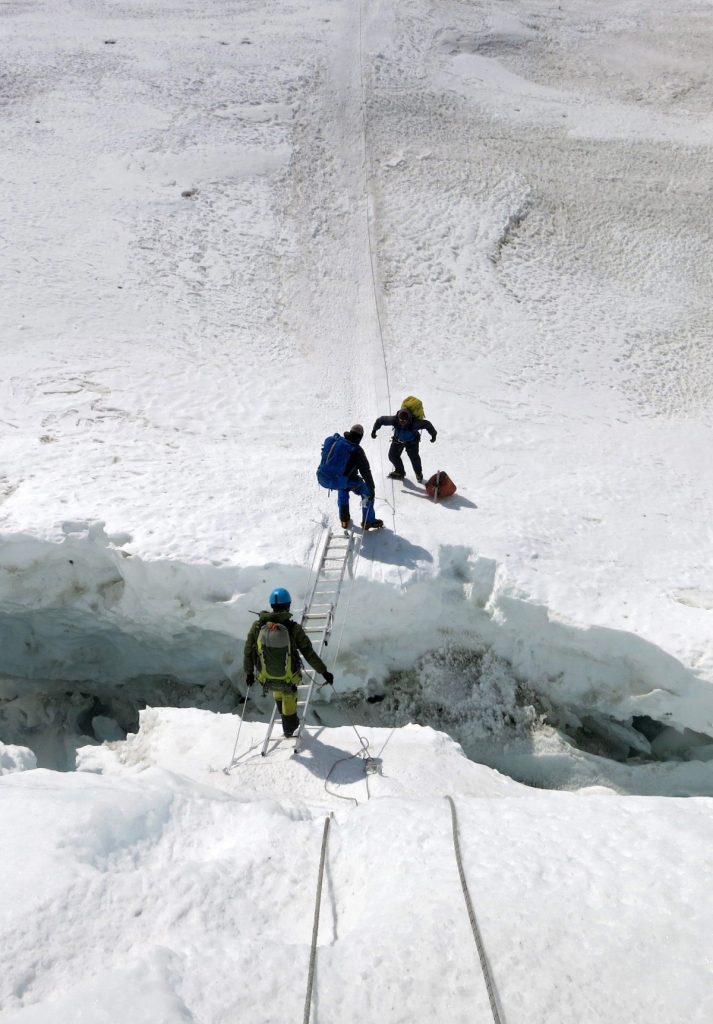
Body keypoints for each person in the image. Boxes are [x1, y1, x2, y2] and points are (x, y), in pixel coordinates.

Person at [243, 587, 334, 737]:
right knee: (289, 692)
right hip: (289, 677)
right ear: (288, 605)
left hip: (265, 677)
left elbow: (248, 651)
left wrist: (249, 673)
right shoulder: (293, 628)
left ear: (271, 605)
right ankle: (289, 726)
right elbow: (309, 654)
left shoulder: (258, 626)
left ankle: (285, 716)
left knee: (276, 685)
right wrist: (324, 672)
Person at [318, 423, 383, 531]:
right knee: (366, 492)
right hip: (344, 480)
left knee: (343, 488)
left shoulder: (336, 442)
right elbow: (365, 471)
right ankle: (369, 521)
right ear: (361, 436)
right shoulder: (357, 451)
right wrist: (371, 488)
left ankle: (344, 520)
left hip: (326, 478)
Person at [371, 407, 437, 482]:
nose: (402, 422)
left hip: (412, 442)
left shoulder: (414, 423)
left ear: (408, 419)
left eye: (405, 420)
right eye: (401, 420)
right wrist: (374, 430)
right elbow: (381, 420)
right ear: (398, 417)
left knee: (414, 458)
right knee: (392, 456)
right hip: (398, 440)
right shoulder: (394, 420)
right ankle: (400, 472)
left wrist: (433, 435)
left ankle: (418, 473)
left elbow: (427, 424)